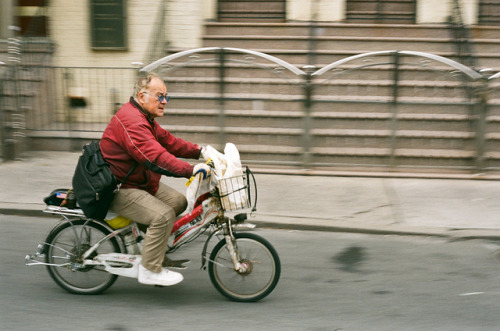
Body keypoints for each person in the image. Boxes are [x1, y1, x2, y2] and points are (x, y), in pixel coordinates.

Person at [100, 72, 210, 286]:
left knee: (178, 201)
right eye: (160, 96)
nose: (165, 102)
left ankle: (149, 247)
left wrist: (202, 151)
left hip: (138, 181)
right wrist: (191, 170)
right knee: (163, 216)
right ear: (142, 97)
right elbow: (156, 157)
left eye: (167, 96)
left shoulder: (144, 118)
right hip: (119, 186)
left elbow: (170, 142)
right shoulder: (133, 121)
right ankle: (150, 269)